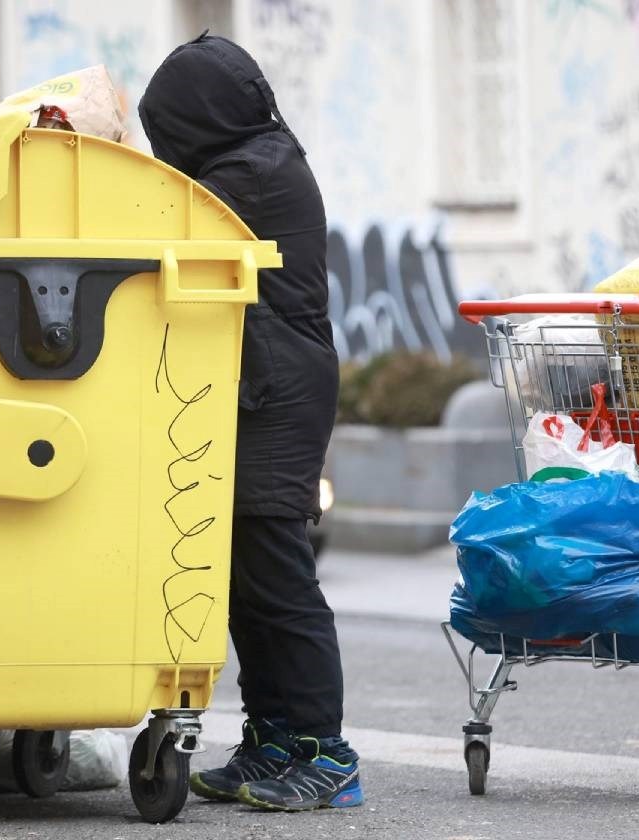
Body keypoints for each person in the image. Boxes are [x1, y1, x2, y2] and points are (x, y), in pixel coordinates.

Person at [138, 34, 362, 812]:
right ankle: (272, 740)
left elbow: (150, 222)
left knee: (278, 577)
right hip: (253, 388)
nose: (162, 144)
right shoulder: (245, 161)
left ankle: (325, 753)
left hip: (278, 394)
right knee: (240, 578)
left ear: (198, 120)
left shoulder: (250, 175)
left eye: (166, 127)